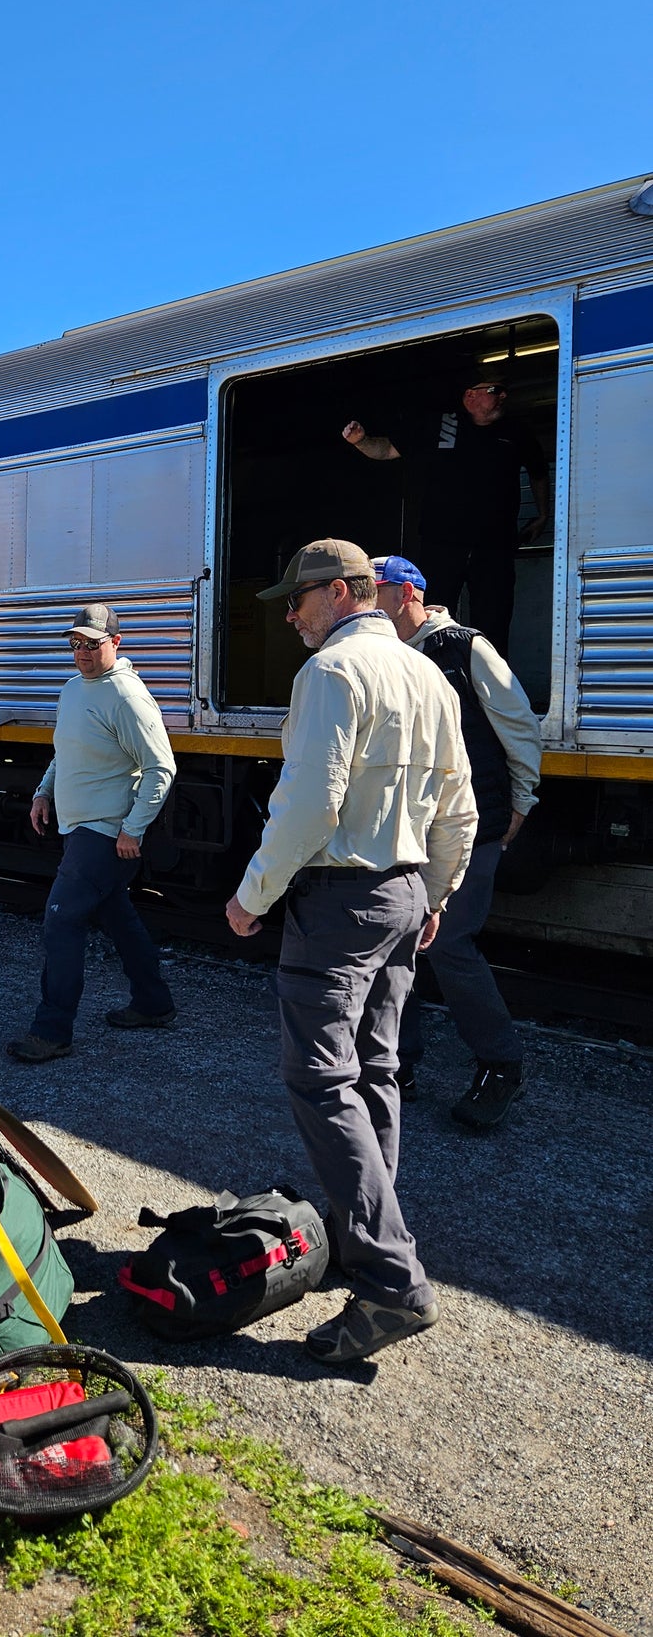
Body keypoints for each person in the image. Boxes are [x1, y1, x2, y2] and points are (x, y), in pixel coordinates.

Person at [226, 539, 476, 1364]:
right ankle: (357, 1231)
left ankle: (389, 1280)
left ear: (339, 592)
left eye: (297, 601)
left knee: (321, 1077)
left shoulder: (331, 674)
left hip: (339, 901)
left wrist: (251, 893)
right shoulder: (426, 673)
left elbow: (307, 804)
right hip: (403, 892)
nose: (291, 617)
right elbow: (458, 806)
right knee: (374, 1072)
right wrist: (434, 894)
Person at [372, 554, 541, 1131]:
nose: (370, 598)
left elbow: (517, 724)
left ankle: (501, 1064)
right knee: (401, 942)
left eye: (380, 588)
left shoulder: (465, 647)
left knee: (449, 945)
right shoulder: (383, 652)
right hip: (408, 824)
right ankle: (399, 1064)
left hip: (470, 820)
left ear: (410, 592)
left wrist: (523, 799)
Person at [8, 602, 177, 1064]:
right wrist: (44, 792)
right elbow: (66, 751)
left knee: (62, 920)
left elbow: (161, 766)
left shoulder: (127, 696)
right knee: (117, 917)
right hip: (80, 826)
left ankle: (52, 1029)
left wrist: (132, 829)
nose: (82, 652)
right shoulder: (75, 688)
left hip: (103, 833)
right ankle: (153, 1002)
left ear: (115, 643)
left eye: (93, 643)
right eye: (76, 643)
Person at [341, 376, 549, 653]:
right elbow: (387, 450)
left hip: (494, 544)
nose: (502, 397)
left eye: (502, 391)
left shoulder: (516, 431)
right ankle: (429, 677)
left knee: (494, 619)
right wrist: (361, 441)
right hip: (442, 541)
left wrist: (543, 514)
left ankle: (488, 687)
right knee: (430, 614)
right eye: (494, 391)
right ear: (469, 396)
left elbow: (538, 473)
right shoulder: (441, 424)